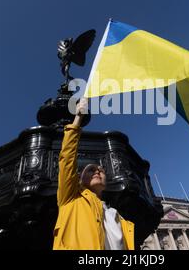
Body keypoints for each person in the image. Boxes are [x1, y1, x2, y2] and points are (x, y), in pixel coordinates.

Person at [53, 98, 135, 250]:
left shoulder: (118, 217)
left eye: (101, 171)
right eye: (90, 170)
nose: (97, 171)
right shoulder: (70, 198)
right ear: (79, 179)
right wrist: (77, 118)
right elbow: (67, 160)